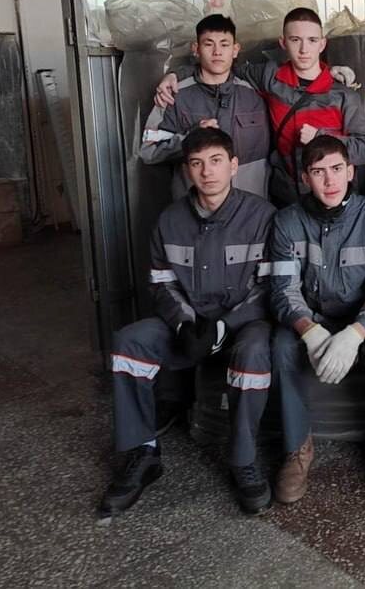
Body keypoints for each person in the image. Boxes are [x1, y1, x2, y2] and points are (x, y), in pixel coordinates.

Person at [100, 127, 277, 518]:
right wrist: (183, 324)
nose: (207, 172)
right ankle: (143, 453)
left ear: (233, 166)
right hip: (189, 323)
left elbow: (269, 287)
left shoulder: (262, 216)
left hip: (242, 325)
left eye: (216, 161)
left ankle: (243, 459)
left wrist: (224, 326)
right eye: (196, 163)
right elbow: (161, 283)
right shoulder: (169, 220)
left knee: (254, 352)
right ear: (186, 170)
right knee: (129, 341)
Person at [269, 135, 365, 503]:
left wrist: (354, 334)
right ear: (304, 178)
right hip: (312, 317)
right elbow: (282, 290)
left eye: (336, 169)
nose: (329, 180)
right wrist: (308, 330)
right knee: (281, 345)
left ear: (351, 171)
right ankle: (297, 448)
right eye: (318, 172)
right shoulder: (286, 221)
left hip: (363, 321)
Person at [155, 7, 365, 207]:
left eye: (311, 40)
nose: (303, 49)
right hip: (286, 200)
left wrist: (321, 137)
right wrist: (175, 75)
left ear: (322, 44)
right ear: (283, 43)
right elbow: (220, 66)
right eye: (295, 40)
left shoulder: (342, 95)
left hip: (333, 199)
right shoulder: (269, 77)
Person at [140, 14, 270, 199]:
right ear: (196, 49)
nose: (217, 52)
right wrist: (190, 138)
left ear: (235, 50)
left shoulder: (255, 93)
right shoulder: (173, 95)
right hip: (195, 209)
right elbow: (149, 152)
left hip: (249, 207)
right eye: (209, 44)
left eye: (224, 44)